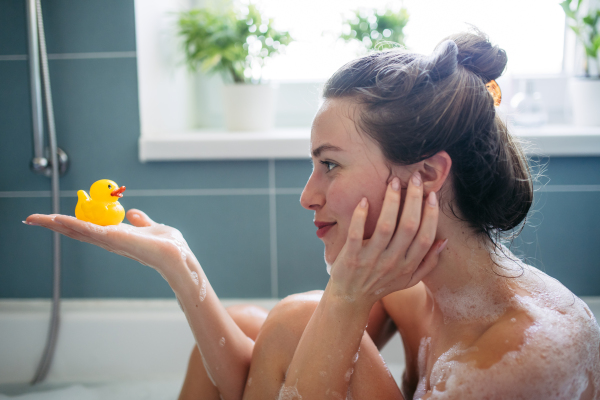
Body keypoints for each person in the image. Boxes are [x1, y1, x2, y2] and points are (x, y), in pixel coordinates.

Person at [26, 29, 600, 400]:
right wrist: (180, 266)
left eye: (329, 165)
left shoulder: (520, 358)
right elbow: (262, 376)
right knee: (260, 323)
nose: (307, 194)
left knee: (303, 317)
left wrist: (345, 296)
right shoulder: (418, 290)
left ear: (426, 175)